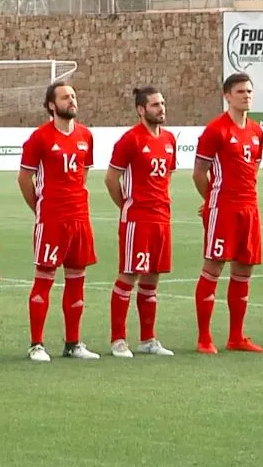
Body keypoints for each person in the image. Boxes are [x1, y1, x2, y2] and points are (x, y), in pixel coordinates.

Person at [17, 82, 100, 362]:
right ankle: (36, 344)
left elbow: (83, 175)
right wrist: (41, 208)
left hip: (80, 218)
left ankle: (73, 343)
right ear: (52, 105)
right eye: (66, 97)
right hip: (52, 219)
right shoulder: (39, 138)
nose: (72, 100)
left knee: (77, 282)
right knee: (45, 280)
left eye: (74, 96)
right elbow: (24, 179)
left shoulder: (86, 136)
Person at [192, 72, 263, 354]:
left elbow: (254, 168)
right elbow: (200, 173)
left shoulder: (257, 131)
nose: (246, 95)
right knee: (213, 267)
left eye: (249, 91)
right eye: (240, 92)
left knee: (243, 270)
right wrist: (211, 199)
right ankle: (204, 338)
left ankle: (236, 337)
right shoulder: (216, 130)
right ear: (227, 96)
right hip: (223, 209)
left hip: (250, 208)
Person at [103, 86, 176, 358]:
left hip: (162, 217)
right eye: (155, 104)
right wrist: (126, 205)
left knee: (152, 278)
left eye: (163, 103)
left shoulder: (169, 139)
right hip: (137, 218)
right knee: (129, 275)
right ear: (141, 109)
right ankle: (118, 339)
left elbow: (166, 176)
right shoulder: (130, 140)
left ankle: (148, 339)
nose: (161, 108)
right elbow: (111, 179)